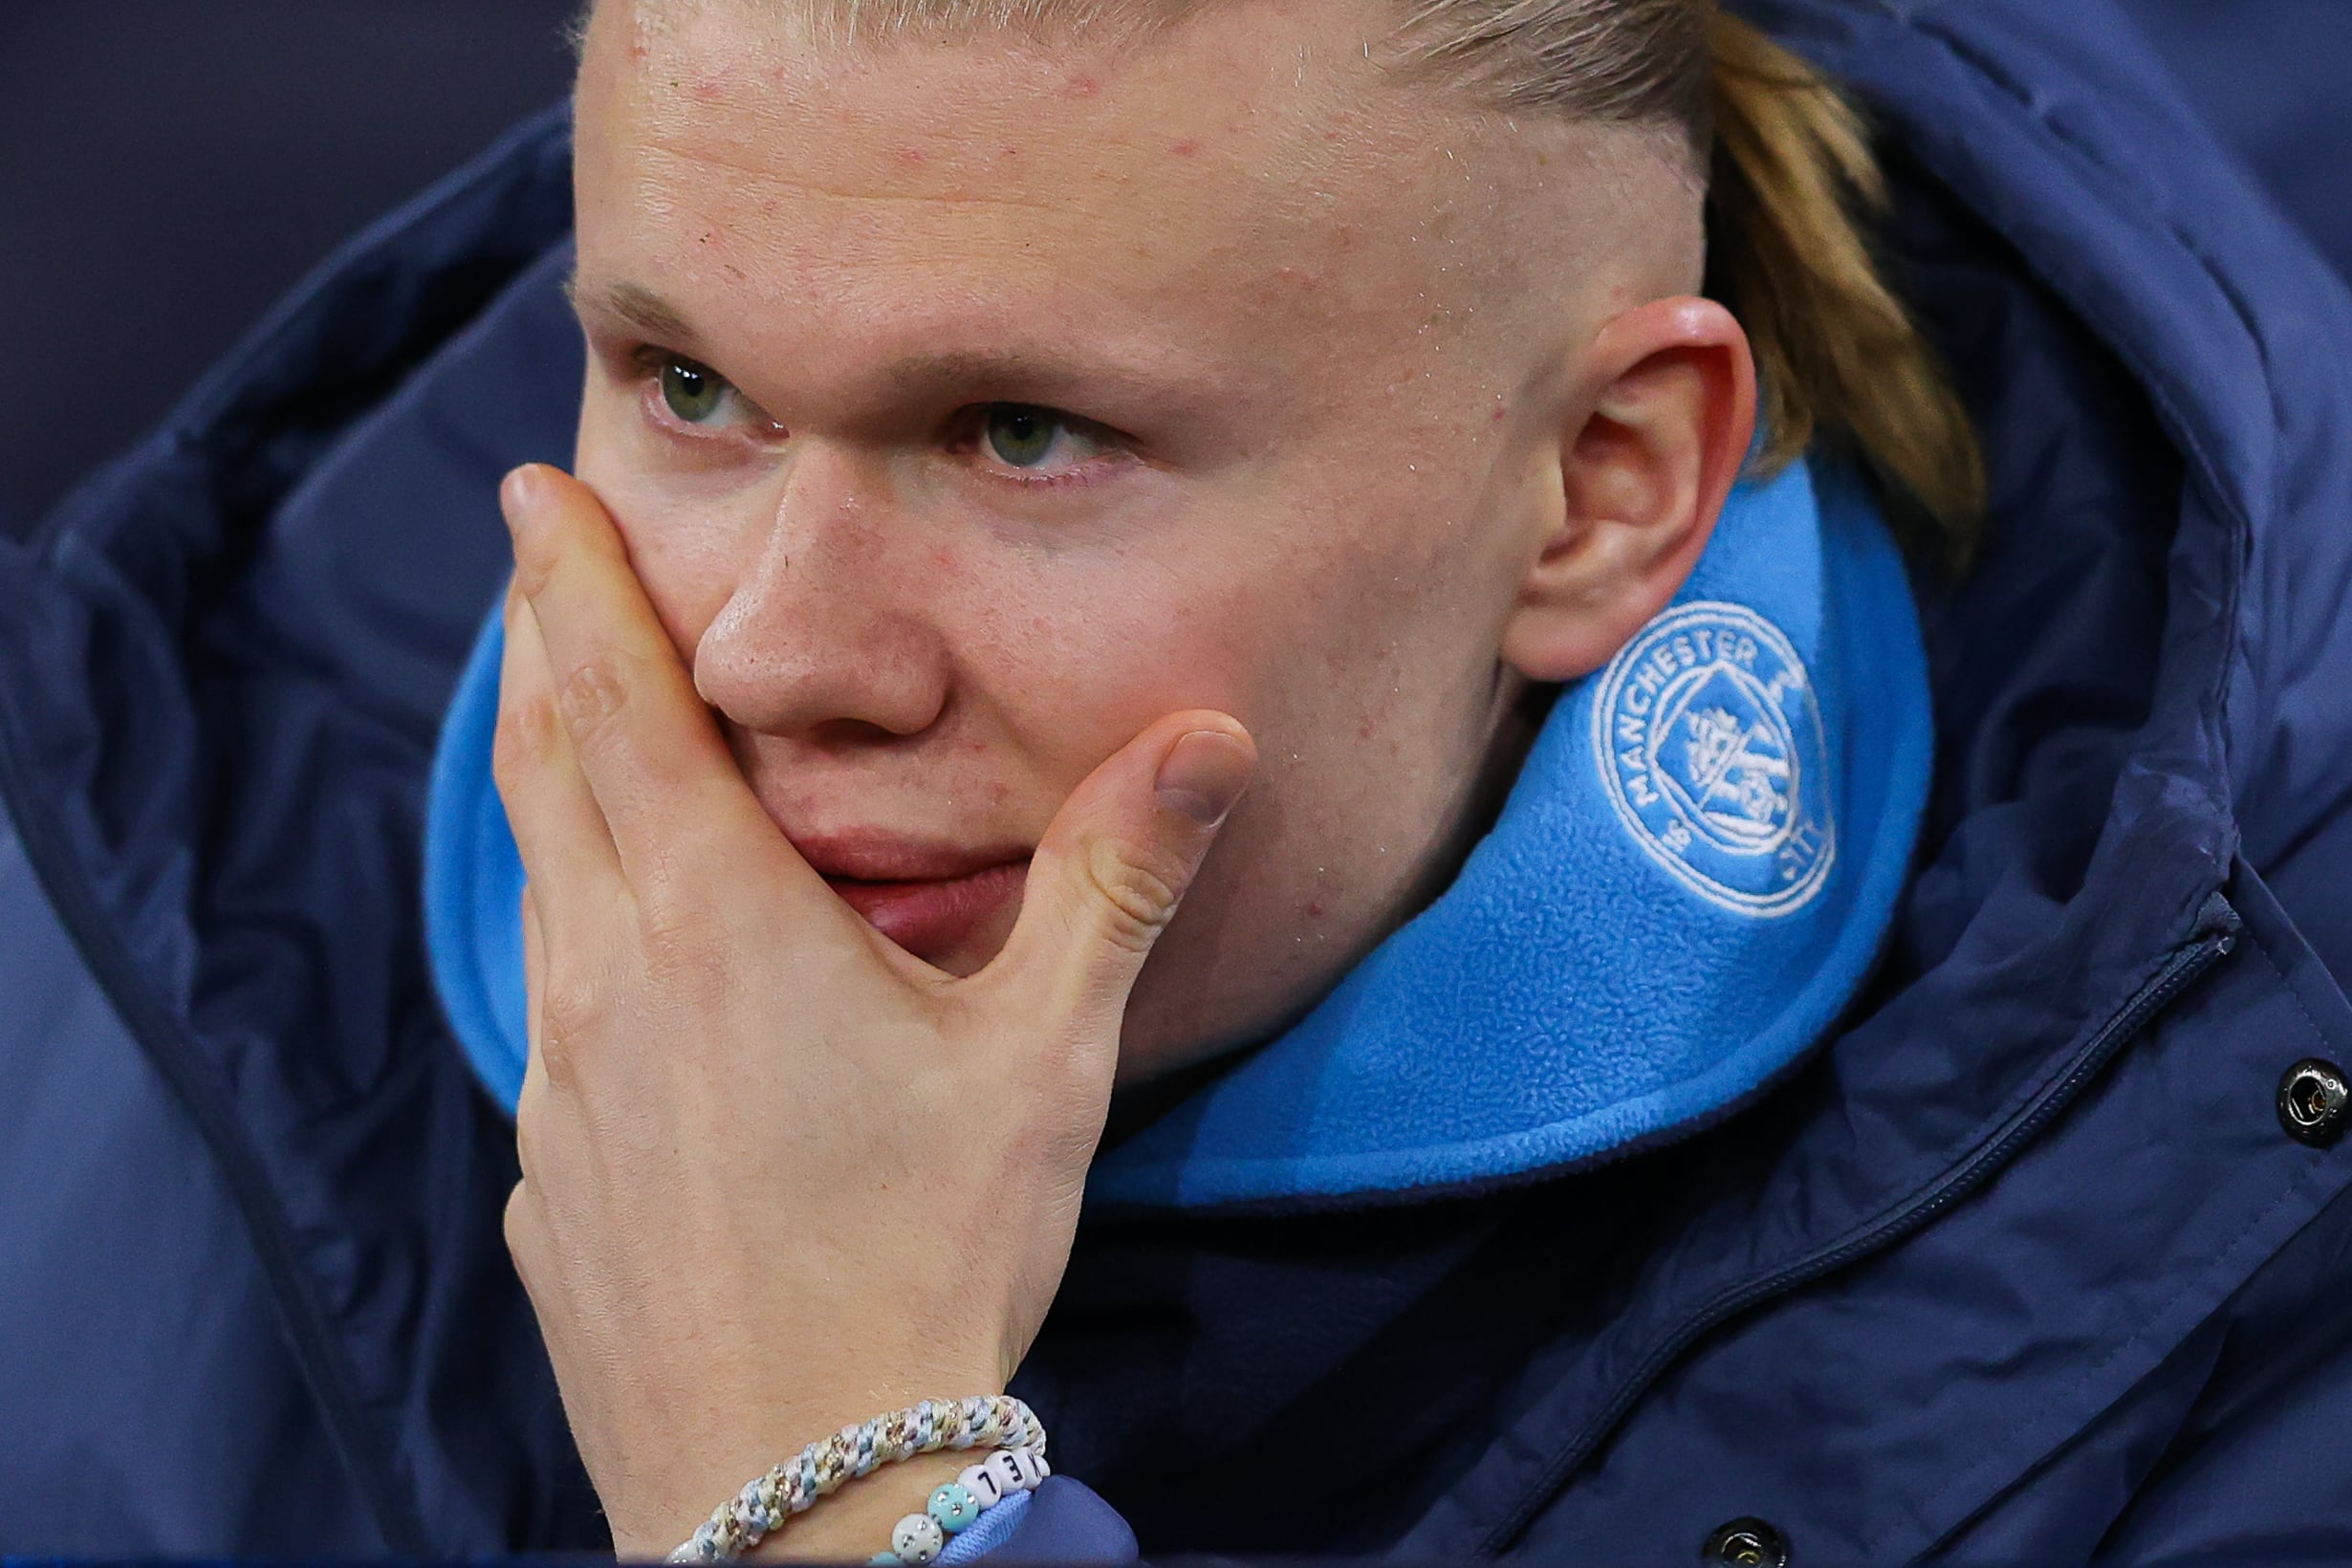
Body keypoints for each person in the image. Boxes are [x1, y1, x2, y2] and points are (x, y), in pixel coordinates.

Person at [2, 0, 2350, 1561]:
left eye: (1025, 437)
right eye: (687, 381)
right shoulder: (128, 871)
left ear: (1605, 488)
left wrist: (846, 1492)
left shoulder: (2263, 1214)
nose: (771, 650)